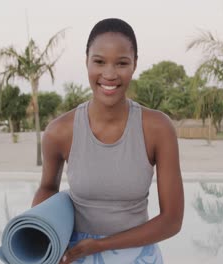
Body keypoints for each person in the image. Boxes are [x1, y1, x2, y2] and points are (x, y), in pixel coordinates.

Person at [31, 18, 184, 264]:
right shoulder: (59, 131)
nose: (110, 74)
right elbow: (48, 187)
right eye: (99, 62)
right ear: (87, 62)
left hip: (137, 255)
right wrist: (39, 231)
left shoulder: (157, 128)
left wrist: (101, 245)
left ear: (134, 64)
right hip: (73, 255)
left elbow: (172, 220)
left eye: (122, 63)